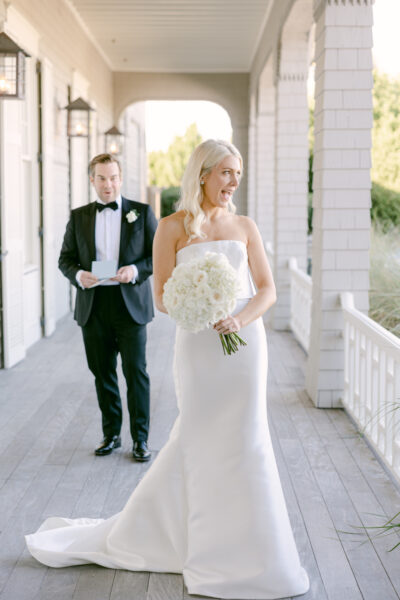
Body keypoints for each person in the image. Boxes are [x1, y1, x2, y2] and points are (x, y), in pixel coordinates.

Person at [26, 141, 309, 600]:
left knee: (247, 440)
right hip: (198, 346)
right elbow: (160, 296)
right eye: (226, 173)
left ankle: (256, 550)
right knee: (198, 437)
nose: (233, 182)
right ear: (203, 174)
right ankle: (196, 543)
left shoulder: (245, 225)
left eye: (238, 174)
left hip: (243, 348)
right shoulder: (172, 227)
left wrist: (238, 317)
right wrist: (202, 308)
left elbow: (267, 290)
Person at [58, 153, 157, 461]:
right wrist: (78, 275)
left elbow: (157, 257)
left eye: (113, 178)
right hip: (94, 305)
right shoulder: (79, 217)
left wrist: (135, 271)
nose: (108, 184)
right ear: (92, 180)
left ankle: (140, 439)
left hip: (130, 306)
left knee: (135, 372)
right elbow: (66, 259)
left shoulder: (141, 213)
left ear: (121, 178)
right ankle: (111, 434)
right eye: (101, 178)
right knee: (103, 374)